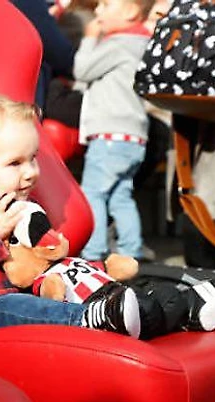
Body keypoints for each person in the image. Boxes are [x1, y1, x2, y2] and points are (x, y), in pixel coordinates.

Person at [0, 93, 143, 343]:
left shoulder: (21, 204)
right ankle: (90, 319)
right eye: (15, 163)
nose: (31, 172)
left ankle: (140, 310)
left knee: (41, 301)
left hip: (27, 299)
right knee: (14, 306)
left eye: (32, 158)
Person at [6, 201, 215, 340]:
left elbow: (105, 268)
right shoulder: (43, 279)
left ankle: (197, 307)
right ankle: (131, 322)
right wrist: (52, 289)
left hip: (120, 289)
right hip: (101, 305)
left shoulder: (72, 260)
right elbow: (52, 296)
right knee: (145, 307)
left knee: (166, 295)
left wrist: (113, 266)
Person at [74, 0, 154, 261]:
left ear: (130, 11)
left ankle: (93, 253)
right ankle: (131, 252)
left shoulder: (118, 43)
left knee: (93, 194)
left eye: (106, 4)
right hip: (132, 137)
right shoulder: (142, 43)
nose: (98, 11)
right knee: (121, 197)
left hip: (109, 136)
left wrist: (89, 39)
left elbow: (82, 70)